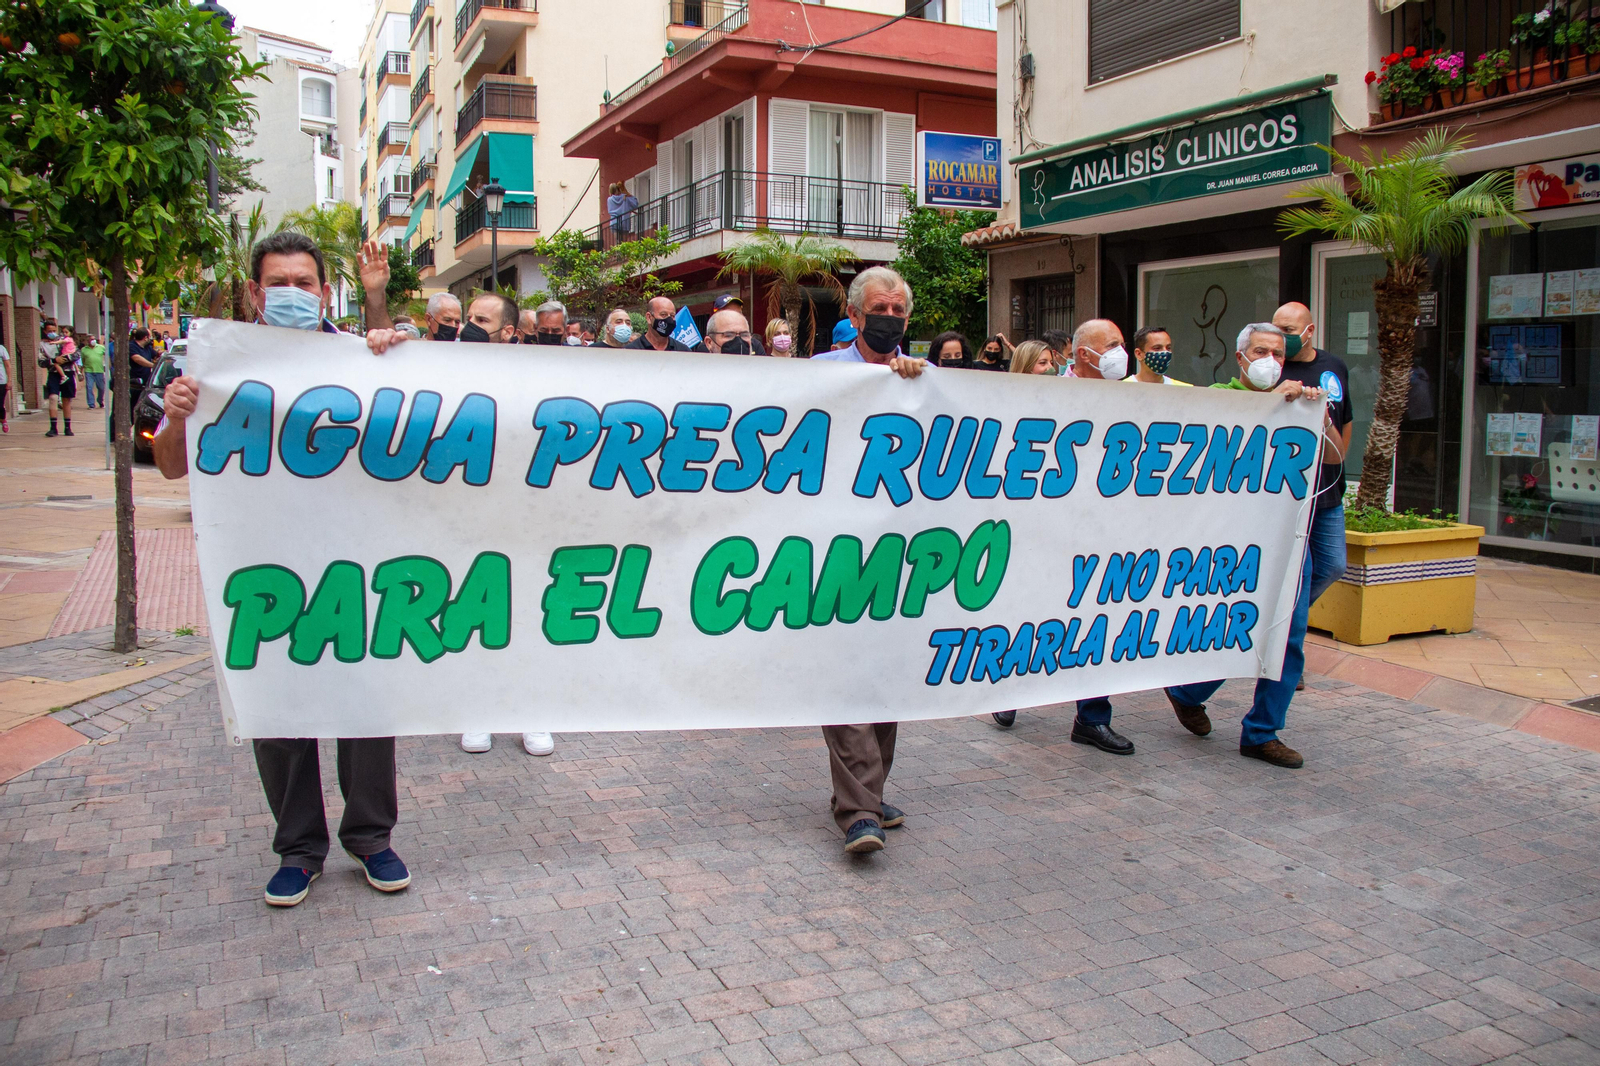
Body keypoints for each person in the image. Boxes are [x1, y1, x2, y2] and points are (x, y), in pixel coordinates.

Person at [151, 231, 411, 908]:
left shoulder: (356, 354)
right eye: (278, 284)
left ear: (324, 293)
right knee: (278, 711)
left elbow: (401, 399)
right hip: (263, 568)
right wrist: (175, 417)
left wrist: (379, 310)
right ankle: (299, 849)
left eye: (304, 283)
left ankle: (371, 838)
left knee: (365, 705)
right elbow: (173, 466)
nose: (292, 294)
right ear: (254, 292)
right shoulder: (221, 366)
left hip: (352, 564)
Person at [368, 295, 560, 759]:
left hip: (525, 520)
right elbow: (386, 390)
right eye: (467, 318)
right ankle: (477, 710)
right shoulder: (438, 368)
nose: (468, 326)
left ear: (509, 332)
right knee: (473, 617)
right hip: (463, 520)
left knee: (527, 617)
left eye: (480, 320)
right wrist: (384, 334)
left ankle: (533, 711)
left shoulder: (539, 377)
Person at [1164, 322, 1325, 770]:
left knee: (1288, 637)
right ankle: (1188, 692)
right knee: (1232, 628)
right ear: (1240, 358)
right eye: (1260, 351)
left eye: (1278, 353)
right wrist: (1272, 402)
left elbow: (1331, 457)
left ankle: (1261, 732)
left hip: (1288, 538)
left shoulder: (1299, 403)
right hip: (1232, 544)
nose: (1270, 361)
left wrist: (1317, 416)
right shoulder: (1218, 397)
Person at [811, 266, 929, 855]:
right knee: (844, 672)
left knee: (885, 675)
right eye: (878, 310)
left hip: (899, 552)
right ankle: (858, 811)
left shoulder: (925, 380)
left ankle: (870, 791)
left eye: (897, 311)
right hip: (833, 548)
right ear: (855, 316)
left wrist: (911, 385)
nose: (889, 319)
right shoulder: (821, 373)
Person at [987, 321, 1137, 754]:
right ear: (1085, 353)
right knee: (1026, 608)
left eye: (1122, 344)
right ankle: (1007, 688)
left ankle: (1093, 718)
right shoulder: (1021, 399)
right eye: (1112, 345)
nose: (1120, 352)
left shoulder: (1131, 395)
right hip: (1034, 526)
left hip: (1094, 527)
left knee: (1093, 614)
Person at [1272, 301, 1351, 608]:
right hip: (1289, 491)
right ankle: (1291, 621)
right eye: (1276, 329)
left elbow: (1346, 418)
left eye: (1288, 330)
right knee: (1298, 573)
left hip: (1327, 490)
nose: (1281, 337)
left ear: (1309, 331)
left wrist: (1339, 458)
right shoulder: (1272, 369)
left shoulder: (1335, 366)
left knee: (1334, 566)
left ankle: (1293, 613)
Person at [40, 326, 77, 437]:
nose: (52, 333)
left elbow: (77, 354)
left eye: (53, 331)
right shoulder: (43, 344)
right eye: (49, 331)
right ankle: (53, 428)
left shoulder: (65, 339)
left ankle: (67, 428)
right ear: (45, 331)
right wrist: (54, 360)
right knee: (53, 398)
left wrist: (65, 359)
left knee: (67, 399)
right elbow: (41, 362)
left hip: (68, 372)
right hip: (53, 373)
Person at [628, 296, 695, 353]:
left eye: (672, 316)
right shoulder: (631, 351)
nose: (669, 320)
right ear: (649, 317)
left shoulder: (683, 351)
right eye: (663, 314)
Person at [127, 328, 158, 399]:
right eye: (150, 336)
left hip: (145, 384)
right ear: (145, 338)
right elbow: (137, 359)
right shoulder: (131, 346)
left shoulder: (148, 348)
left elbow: (156, 356)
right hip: (134, 385)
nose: (151, 339)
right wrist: (153, 365)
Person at [80, 335, 107, 409]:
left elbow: (107, 356)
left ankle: (100, 401)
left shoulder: (101, 347)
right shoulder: (84, 350)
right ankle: (91, 404)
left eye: (94, 339)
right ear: (87, 341)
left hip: (99, 371)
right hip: (89, 371)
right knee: (89, 387)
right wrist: (81, 371)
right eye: (91, 339)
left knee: (101, 388)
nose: (93, 340)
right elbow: (82, 361)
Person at [0, 336, 9, 433]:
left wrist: (9, 380)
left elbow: (7, 365)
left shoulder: (2, 349)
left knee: (0, 404)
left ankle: (3, 420)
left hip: (1, 381)